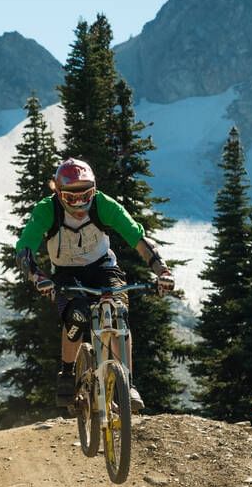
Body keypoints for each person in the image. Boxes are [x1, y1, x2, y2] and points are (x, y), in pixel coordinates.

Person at [15, 157, 174, 409]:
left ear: (95, 190)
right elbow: (24, 250)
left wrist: (161, 270)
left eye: (86, 195)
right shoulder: (47, 210)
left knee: (119, 311)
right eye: (71, 198)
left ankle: (128, 384)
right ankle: (67, 374)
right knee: (76, 316)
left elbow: (138, 238)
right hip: (66, 273)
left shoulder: (103, 205)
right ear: (58, 192)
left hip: (102, 266)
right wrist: (39, 277)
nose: (80, 205)